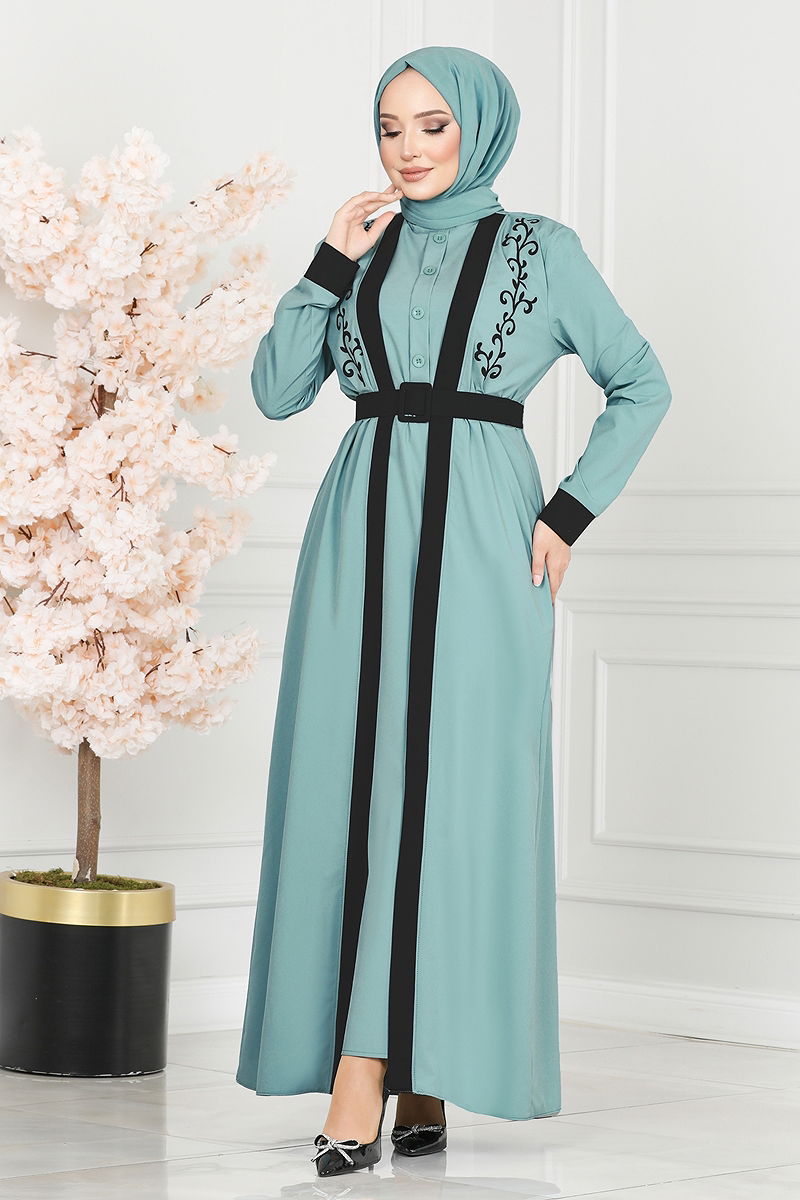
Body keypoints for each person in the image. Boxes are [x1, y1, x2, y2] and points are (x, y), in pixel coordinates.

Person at [235, 45, 672, 1177]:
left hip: (484, 539)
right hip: (357, 538)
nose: (409, 148)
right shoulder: (363, 251)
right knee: (350, 785)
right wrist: (327, 262)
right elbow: (276, 391)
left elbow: (641, 383)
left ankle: (369, 1074)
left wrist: (568, 511)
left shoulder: (540, 249)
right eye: (390, 128)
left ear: (479, 127)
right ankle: (404, 1065)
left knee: (447, 793)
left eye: (433, 124)